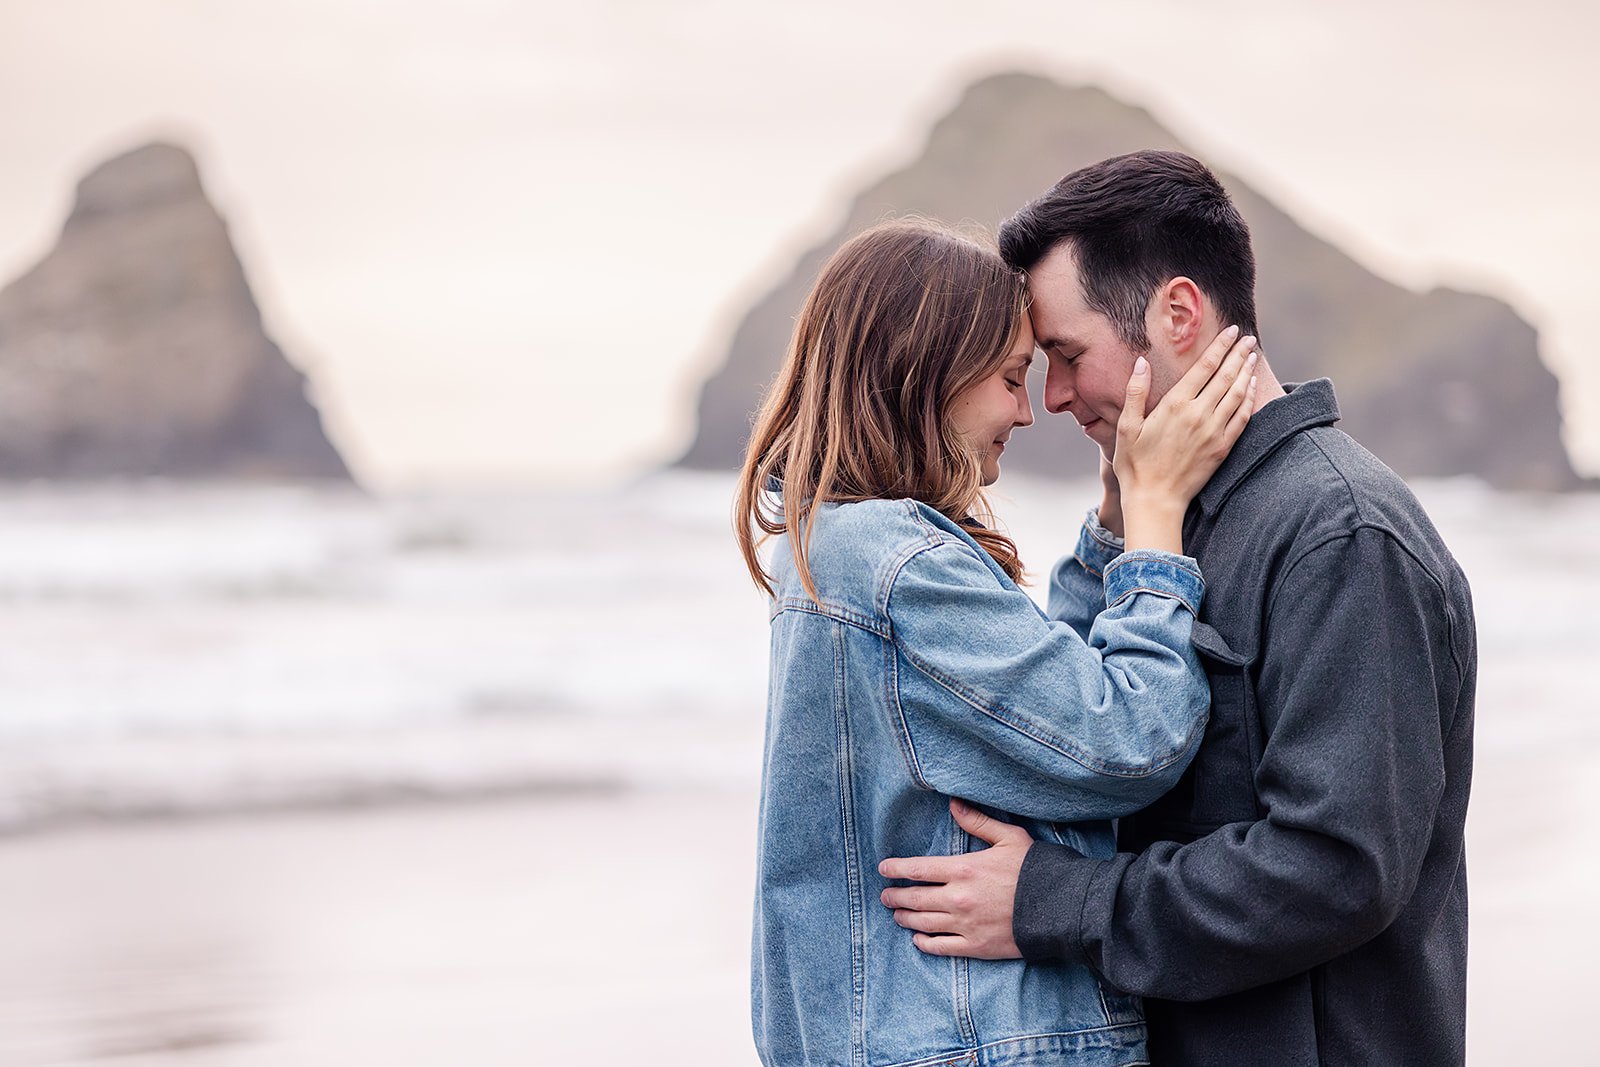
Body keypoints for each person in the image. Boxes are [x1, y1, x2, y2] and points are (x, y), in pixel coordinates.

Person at [878, 151, 1477, 1066]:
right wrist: (1121, 520)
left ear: (1178, 315)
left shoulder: (1342, 533)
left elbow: (1337, 868)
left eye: (1068, 356)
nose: (1054, 397)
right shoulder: (1168, 515)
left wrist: (1052, 900)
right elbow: (1070, 732)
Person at [735, 217, 1258, 1067]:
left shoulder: (834, 547)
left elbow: (1037, 715)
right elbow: (1129, 737)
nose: (1025, 408)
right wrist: (1157, 522)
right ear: (928, 372)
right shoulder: (902, 564)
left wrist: (1111, 524)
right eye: (1012, 377)